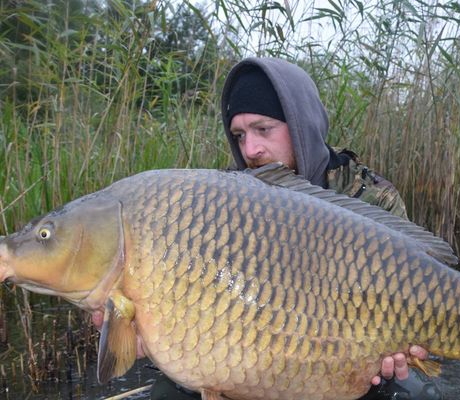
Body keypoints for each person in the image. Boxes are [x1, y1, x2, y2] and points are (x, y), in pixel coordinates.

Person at [95, 57, 442, 400]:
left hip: (344, 359)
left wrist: (400, 350)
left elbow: (414, 293)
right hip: (254, 358)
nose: (250, 149)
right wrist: (150, 331)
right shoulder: (222, 204)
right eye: (239, 134)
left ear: (301, 124)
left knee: (415, 393)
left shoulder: (368, 196)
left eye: (263, 129)